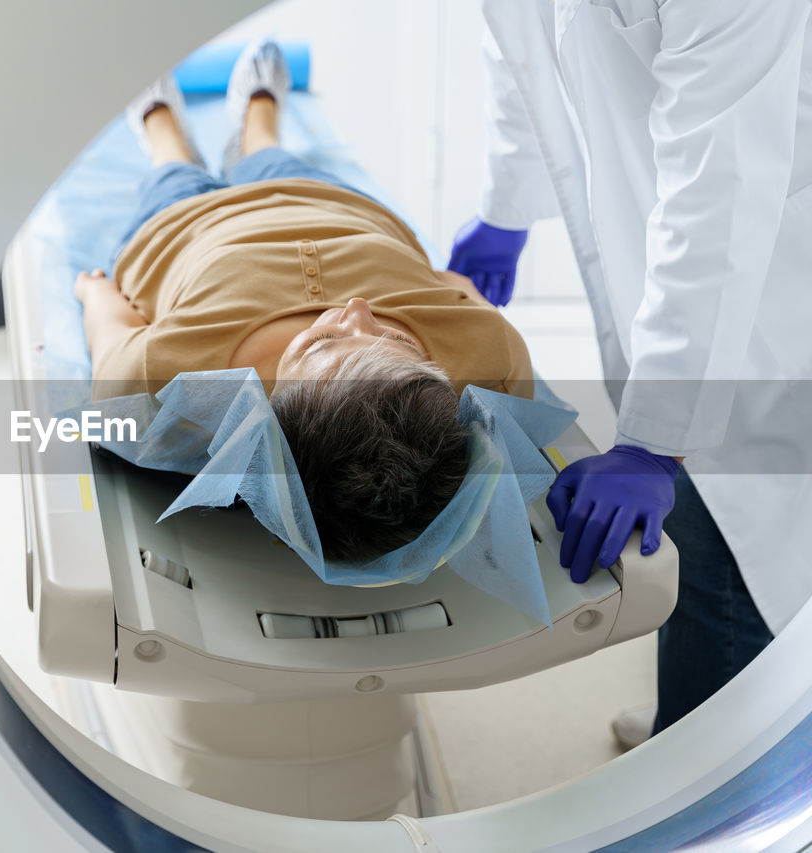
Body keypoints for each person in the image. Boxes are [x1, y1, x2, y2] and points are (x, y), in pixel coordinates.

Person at [452, 1, 812, 741]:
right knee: (684, 524)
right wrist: (504, 206)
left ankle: (711, 762)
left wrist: (657, 436)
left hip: (762, 266)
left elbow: (726, 181)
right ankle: (695, 721)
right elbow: (522, 46)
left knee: (724, 536)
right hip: (692, 256)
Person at [78, 41, 534, 561]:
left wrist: (93, 290)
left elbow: (111, 329)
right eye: (396, 340)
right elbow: (463, 290)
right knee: (270, 156)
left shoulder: (161, 383)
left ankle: (158, 119)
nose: (358, 308)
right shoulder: (493, 364)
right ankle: (258, 120)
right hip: (336, 206)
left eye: (322, 340)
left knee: (173, 170)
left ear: (269, 412)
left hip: (183, 225)